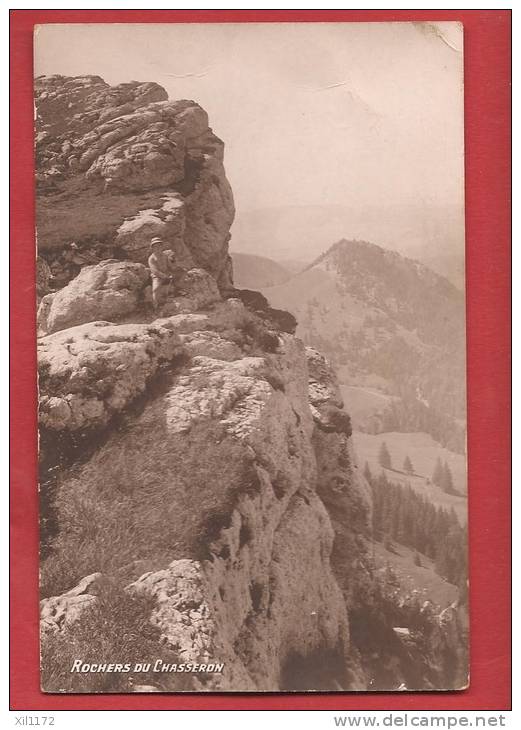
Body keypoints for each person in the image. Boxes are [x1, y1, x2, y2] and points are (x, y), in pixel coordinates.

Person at [148, 237, 176, 310]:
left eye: (159, 246)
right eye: (155, 246)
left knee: (175, 282)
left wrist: (173, 263)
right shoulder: (151, 258)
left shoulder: (165, 256)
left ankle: (169, 299)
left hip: (166, 274)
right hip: (157, 277)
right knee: (156, 289)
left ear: (162, 246)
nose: (158, 248)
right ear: (152, 248)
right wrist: (164, 276)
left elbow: (170, 266)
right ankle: (156, 306)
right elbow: (154, 270)